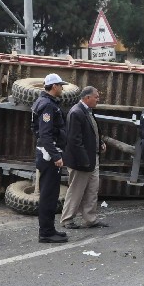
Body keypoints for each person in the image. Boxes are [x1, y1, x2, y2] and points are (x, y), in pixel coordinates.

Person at [60, 86, 109, 229]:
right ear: (87, 98)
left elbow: (92, 132)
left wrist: (99, 143)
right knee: (76, 191)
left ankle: (90, 219)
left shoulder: (87, 111)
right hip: (81, 162)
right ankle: (67, 219)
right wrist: (84, 161)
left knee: (92, 190)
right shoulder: (76, 112)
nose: (98, 100)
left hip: (92, 159)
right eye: (96, 97)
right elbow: (74, 140)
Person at [32, 73, 69, 243]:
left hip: (47, 152)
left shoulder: (44, 102)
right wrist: (55, 156)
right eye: (60, 85)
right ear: (54, 87)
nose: (62, 88)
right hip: (49, 154)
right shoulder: (47, 105)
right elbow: (45, 134)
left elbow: (36, 130)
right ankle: (46, 233)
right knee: (49, 194)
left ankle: (50, 229)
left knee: (51, 193)